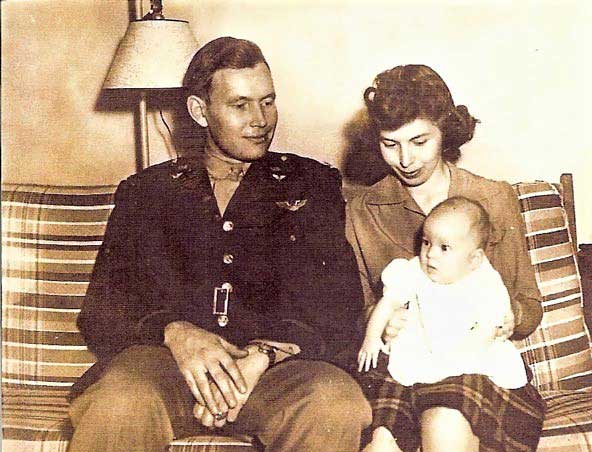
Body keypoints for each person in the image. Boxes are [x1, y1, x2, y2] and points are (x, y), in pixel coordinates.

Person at [67, 36, 371, 452]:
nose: (260, 120)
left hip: (274, 376)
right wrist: (176, 333)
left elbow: (339, 305)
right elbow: (102, 311)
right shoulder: (147, 191)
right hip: (165, 370)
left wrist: (265, 354)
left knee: (335, 402)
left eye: (268, 101)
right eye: (240, 104)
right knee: (120, 400)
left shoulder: (312, 184)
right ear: (199, 111)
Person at [346, 64, 546, 452]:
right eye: (390, 143)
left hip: (476, 366)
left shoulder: (492, 199)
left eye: (420, 141)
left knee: (444, 422)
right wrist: (380, 324)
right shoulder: (363, 210)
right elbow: (359, 311)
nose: (405, 159)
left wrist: (510, 319)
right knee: (380, 445)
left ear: (445, 132)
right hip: (406, 370)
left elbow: (530, 305)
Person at [358, 196, 535, 451]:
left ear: (474, 259)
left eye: (444, 248)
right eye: (426, 242)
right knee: (383, 420)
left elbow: (490, 324)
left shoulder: (484, 281)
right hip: (417, 352)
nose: (430, 254)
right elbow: (387, 302)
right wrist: (372, 337)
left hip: (466, 356)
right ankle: (388, 438)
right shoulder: (414, 270)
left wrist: (494, 330)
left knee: (451, 407)